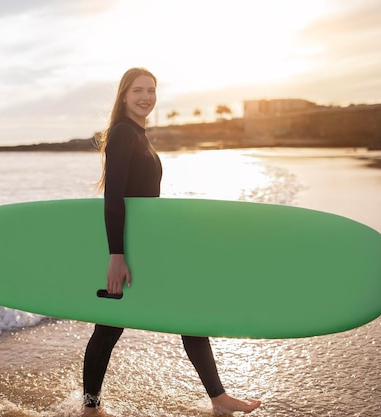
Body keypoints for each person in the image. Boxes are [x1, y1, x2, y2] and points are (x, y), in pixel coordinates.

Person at [83, 67, 261, 416]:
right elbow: (113, 198)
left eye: (151, 90)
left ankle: (218, 399)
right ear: (124, 96)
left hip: (148, 243)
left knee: (166, 316)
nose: (146, 97)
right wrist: (116, 254)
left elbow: (145, 199)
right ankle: (91, 407)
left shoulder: (138, 135)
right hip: (133, 246)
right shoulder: (122, 133)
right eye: (138, 91)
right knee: (112, 326)